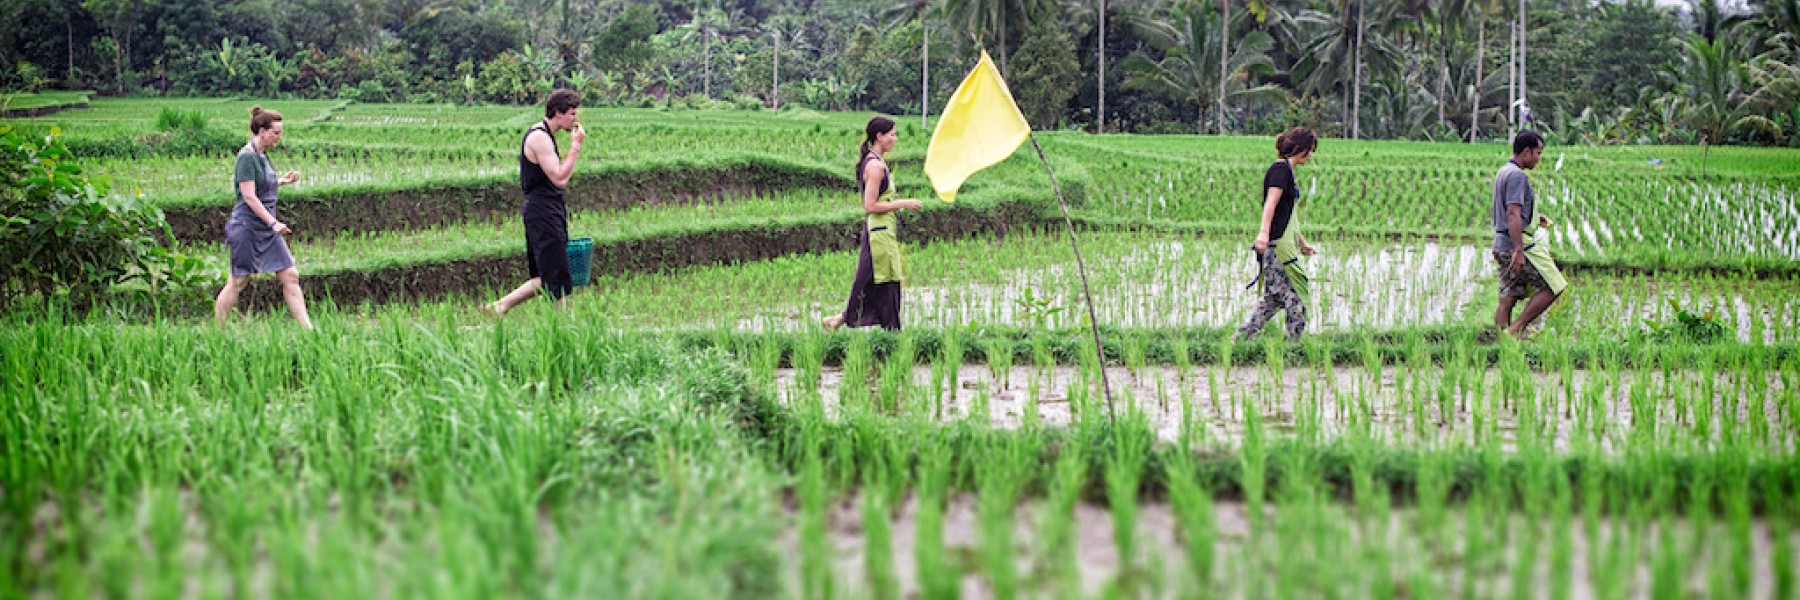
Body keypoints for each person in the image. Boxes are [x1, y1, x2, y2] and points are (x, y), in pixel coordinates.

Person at [488, 89, 586, 316]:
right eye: (571, 114)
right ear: (558, 113)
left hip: (548, 208)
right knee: (555, 273)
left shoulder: (545, 135)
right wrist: (576, 146)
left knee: (549, 273)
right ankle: (560, 326)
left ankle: (500, 307)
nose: (575, 119)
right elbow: (560, 178)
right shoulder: (539, 138)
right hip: (542, 211)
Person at [214, 106, 312, 329]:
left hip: (266, 228)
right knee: (238, 281)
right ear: (262, 131)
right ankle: (217, 332)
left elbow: (260, 186)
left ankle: (309, 330)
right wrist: (273, 222)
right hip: (248, 226)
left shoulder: (262, 156)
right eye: (275, 132)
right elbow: (248, 196)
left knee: (290, 275)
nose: (279, 137)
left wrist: (281, 182)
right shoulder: (246, 157)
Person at [822, 116, 923, 330]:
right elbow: (870, 205)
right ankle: (891, 332)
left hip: (882, 230)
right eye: (892, 134)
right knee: (884, 281)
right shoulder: (876, 166)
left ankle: (840, 320)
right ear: (879, 136)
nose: (895, 139)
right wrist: (903, 203)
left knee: (875, 279)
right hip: (878, 232)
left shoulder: (876, 161)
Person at [1236, 127, 1319, 341]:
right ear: (1301, 149)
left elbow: (1287, 215)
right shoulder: (1280, 170)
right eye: (1310, 150)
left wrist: (1302, 243)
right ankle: (1294, 346)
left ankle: (1241, 339)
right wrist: (1263, 234)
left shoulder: (1287, 171)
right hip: (1276, 247)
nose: (1311, 155)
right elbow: (1270, 204)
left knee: (1273, 299)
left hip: (1283, 244)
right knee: (1296, 298)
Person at [1492, 130, 1562, 338]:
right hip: (1515, 244)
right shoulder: (1517, 176)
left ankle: (1501, 344)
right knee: (1553, 286)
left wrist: (1532, 218)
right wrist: (1519, 250)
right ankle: (1515, 331)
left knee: (1508, 297)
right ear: (1526, 152)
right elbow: (1513, 213)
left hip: (1501, 243)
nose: (1539, 159)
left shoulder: (1503, 171)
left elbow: (1513, 212)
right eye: (1538, 153)